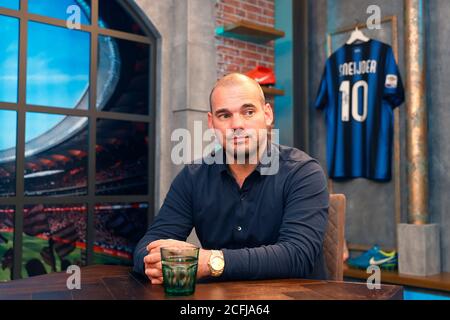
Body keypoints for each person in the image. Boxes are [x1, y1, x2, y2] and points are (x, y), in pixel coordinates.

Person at [133, 73, 329, 284]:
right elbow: (147, 247)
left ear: (268, 115)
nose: (237, 124)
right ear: (212, 122)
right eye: (224, 115)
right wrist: (155, 260)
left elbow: (298, 256)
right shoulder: (192, 177)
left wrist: (210, 261)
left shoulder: (303, 172)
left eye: (248, 112)